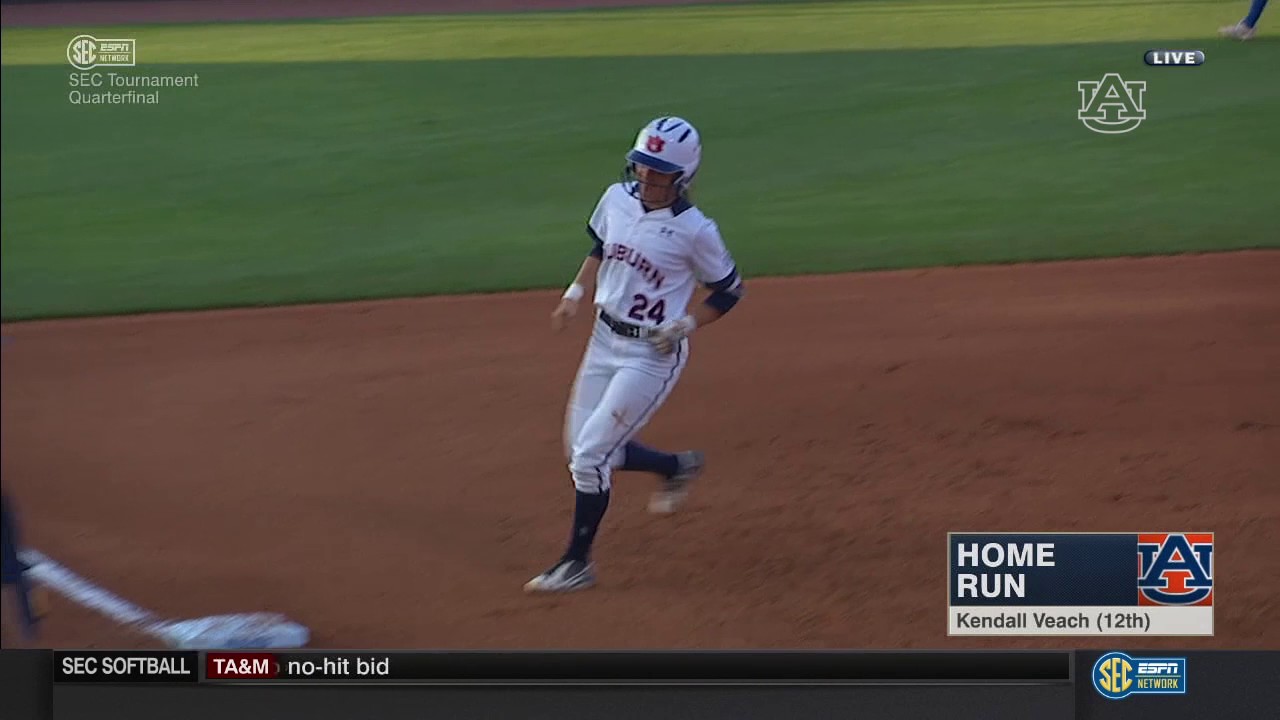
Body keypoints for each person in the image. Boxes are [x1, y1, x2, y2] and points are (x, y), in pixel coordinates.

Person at [525, 116, 745, 593]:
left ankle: (576, 563)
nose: (646, 178)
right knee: (580, 449)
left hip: (650, 355)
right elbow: (600, 247)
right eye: (642, 166)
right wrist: (574, 294)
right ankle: (676, 466)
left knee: (588, 458)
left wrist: (684, 325)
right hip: (603, 341)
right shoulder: (615, 199)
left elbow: (729, 291)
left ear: (682, 177)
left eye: (659, 171)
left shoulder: (696, 231)